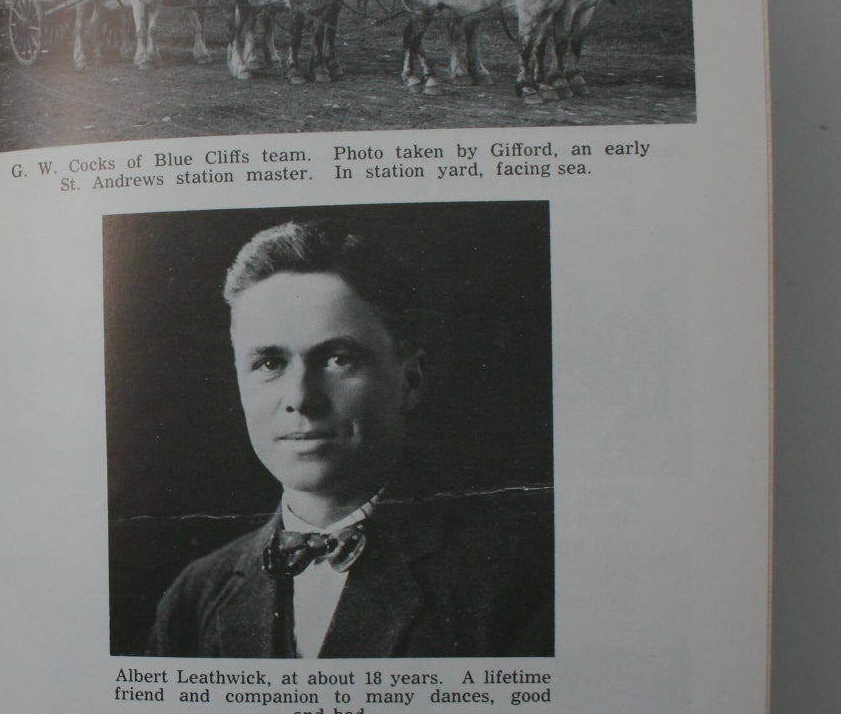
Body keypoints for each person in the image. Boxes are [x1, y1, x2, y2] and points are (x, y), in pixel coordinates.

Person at [145, 219, 552, 658]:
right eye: (268, 363)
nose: (300, 399)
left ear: (409, 381)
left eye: (338, 359)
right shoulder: (197, 595)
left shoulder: (511, 582)